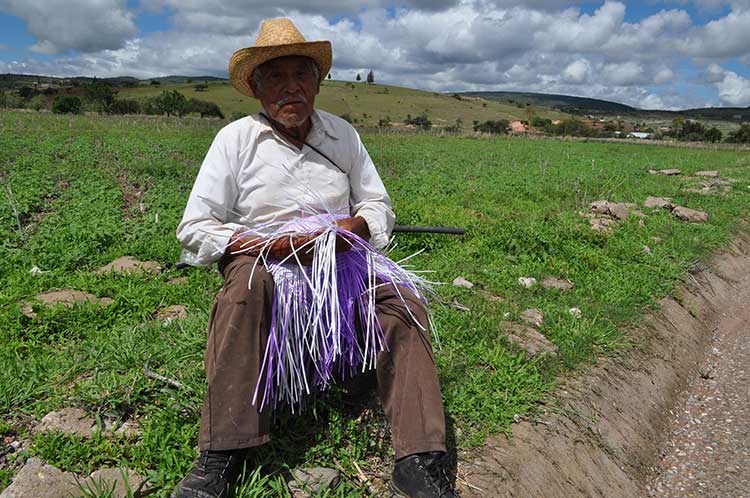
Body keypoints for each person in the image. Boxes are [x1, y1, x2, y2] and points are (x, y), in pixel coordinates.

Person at [173, 18, 458, 498]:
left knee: (403, 306)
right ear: (257, 88)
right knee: (247, 291)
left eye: (301, 75)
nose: (291, 88)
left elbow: (377, 203)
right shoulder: (235, 141)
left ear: (317, 82)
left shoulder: (341, 135)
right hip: (265, 258)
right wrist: (268, 245)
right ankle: (222, 453)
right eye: (277, 77)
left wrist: (358, 226)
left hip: (341, 260)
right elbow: (196, 229)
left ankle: (419, 458)